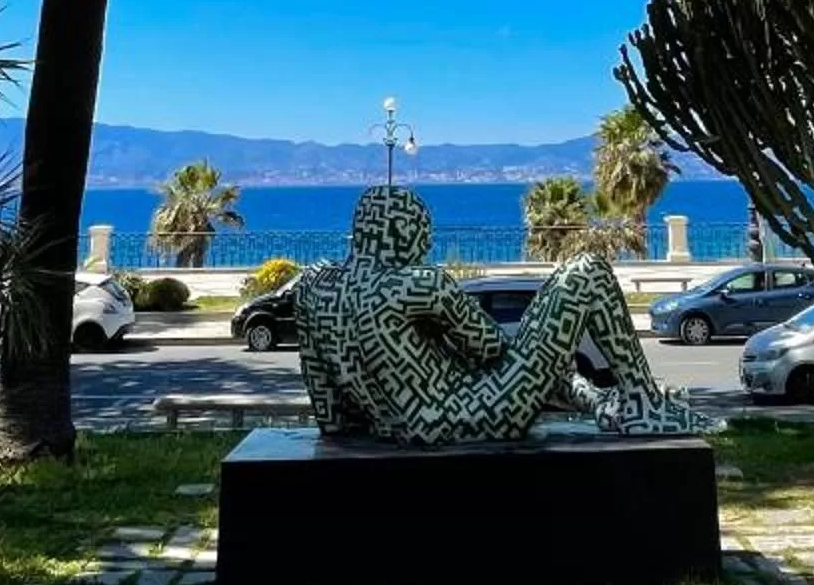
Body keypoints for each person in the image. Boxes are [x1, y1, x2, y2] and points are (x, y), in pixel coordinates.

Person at [297, 185, 705, 444]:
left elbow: (332, 420)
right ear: (407, 235)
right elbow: (492, 350)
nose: (424, 249)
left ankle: (600, 401)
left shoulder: (314, 287)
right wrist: (559, 373)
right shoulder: (417, 283)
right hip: (472, 418)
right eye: (422, 238)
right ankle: (643, 403)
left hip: (397, 427)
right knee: (586, 271)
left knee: (538, 368)